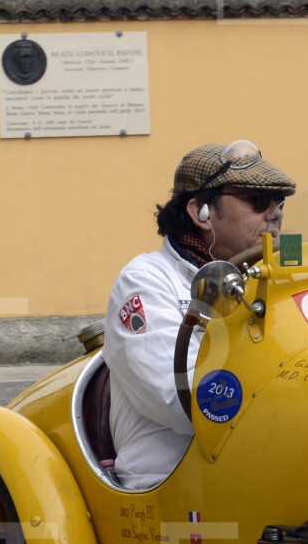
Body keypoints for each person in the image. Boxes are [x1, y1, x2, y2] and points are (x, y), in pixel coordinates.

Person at [103, 141, 296, 489]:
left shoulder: (279, 274)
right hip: (175, 480)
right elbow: (182, 398)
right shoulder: (145, 280)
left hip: (267, 460)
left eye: (280, 201)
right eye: (259, 200)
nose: (276, 212)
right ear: (201, 212)